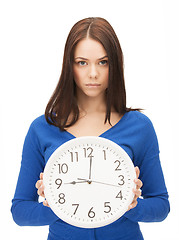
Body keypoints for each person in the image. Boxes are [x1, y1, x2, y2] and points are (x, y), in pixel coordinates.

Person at [11, 17, 170, 240]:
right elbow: (20, 211)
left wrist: (131, 204)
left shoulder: (139, 127)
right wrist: (55, 204)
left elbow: (161, 206)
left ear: (114, 65)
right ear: (69, 65)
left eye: (103, 62)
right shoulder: (42, 128)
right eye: (82, 62)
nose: (93, 73)